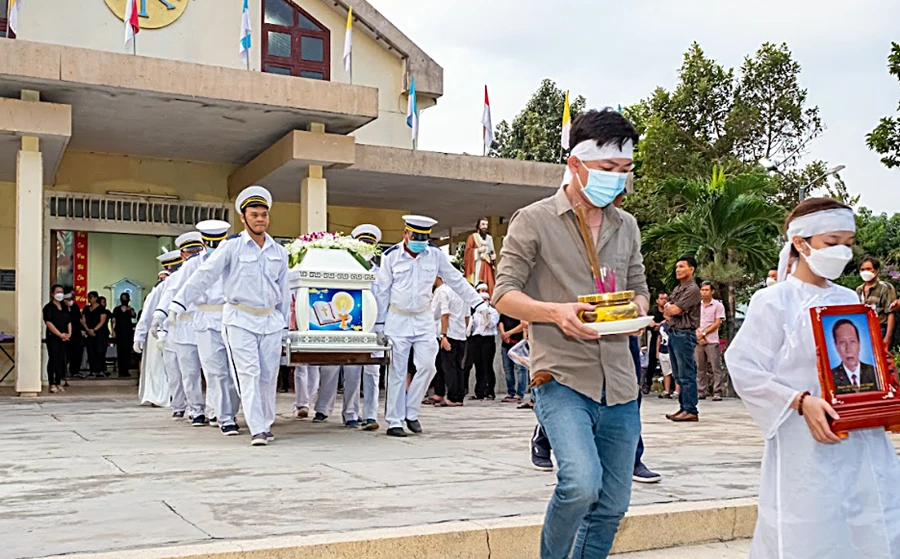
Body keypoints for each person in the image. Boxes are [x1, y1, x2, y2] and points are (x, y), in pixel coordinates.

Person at [494, 108, 647, 559]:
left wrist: (635, 309)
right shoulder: (534, 220)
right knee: (580, 484)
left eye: (624, 170)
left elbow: (639, 287)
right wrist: (555, 312)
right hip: (561, 376)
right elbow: (503, 293)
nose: (616, 179)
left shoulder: (627, 226)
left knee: (613, 504)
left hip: (620, 381)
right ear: (576, 164)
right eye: (606, 169)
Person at [725, 197, 900, 558]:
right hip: (804, 438)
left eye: (848, 243)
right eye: (831, 242)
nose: (842, 252)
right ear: (802, 243)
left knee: (869, 521)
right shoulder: (773, 301)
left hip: (860, 436)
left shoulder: (848, 298)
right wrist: (800, 401)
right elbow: (743, 365)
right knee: (809, 525)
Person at [170, 186, 290, 446]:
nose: (260, 219)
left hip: (270, 320)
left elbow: (284, 291)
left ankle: (266, 424)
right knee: (249, 373)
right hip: (240, 318)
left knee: (269, 376)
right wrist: (179, 302)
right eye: (254, 214)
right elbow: (204, 276)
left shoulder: (279, 252)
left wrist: (285, 328)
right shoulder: (231, 247)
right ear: (244, 218)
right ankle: (257, 428)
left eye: (264, 215)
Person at [372, 215, 487, 438]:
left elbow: (456, 280)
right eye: (415, 237)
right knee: (397, 371)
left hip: (423, 319)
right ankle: (394, 420)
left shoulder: (434, 255)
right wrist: (379, 325)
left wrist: (478, 303)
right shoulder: (391, 257)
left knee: (428, 366)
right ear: (406, 234)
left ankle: (411, 412)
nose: (419, 243)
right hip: (397, 319)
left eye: (424, 239)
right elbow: (382, 291)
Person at [176, 220, 242, 435]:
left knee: (234, 372)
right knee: (215, 372)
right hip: (205, 319)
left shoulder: (234, 259)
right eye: (210, 243)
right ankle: (225, 418)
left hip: (231, 317)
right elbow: (181, 290)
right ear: (204, 242)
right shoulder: (193, 264)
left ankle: (230, 412)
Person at [156, 231, 209, 426]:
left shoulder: (212, 267)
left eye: (198, 250)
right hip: (185, 328)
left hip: (208, 325)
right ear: (183, 255)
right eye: (190, 252)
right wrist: (159, 322)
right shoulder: (175, 277)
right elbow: (167, 297)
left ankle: (215, 409)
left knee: (215, 372)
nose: (194, 254)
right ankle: (197, 410)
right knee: (190, 373)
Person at [347, 223, 384, 430]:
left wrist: (383, 328)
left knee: (372, 373)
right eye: (363, 243)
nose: (367, 248)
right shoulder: (348, 270)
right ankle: (350, 413)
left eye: (370, 244)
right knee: (352, 371)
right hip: (353, 327)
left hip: (375, 327)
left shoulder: (381, 273)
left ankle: (370, 415)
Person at [664, 256, 701, 422]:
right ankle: (683, 407)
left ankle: (691, 409)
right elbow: (667, 308)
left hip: (685, 333)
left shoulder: (692, 289)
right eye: (676, 267)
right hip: (674, 332)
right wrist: (669, 309)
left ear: (691, 269)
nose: (677, 270)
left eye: (682, 266)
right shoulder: (679, 288)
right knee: (678, 374)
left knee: (686, 373)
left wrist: (670, 309)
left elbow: (675, 310)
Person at [134, 266, 176, 410]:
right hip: (155, 333)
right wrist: (139, 335)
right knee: (156, 366)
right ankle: (157, 396)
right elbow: (146, 315)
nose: (163, 281)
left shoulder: (176, 288)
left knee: (172, 366)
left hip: (173, 331)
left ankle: (173, 396)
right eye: (161, 278)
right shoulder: (155, 292)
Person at [432, 275, 469, 406]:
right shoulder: (464, 292)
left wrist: (443, 335)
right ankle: (459, 397)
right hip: (461, 335)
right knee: (459, 367)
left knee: (449, 368)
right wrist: (464, 331)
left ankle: (452, 398)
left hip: (450, 334)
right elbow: (467, 316)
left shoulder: (445, 291)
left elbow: (444, 314)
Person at [695, 281, 726, 401]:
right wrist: (698, 336)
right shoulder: (696, 305)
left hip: (712, 340)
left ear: (712, 291)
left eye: (707, 290)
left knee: (715, 367)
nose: (704, 292)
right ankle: (701, 391)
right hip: (698, 340)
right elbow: (693, 321)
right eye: (702, 290)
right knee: (700, 367)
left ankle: (717, 391)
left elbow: (717, 323)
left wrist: (704, 334)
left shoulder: (718, 305)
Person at [856, 256, 896, 349]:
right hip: (864, 330)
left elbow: (891, 313)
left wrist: (887, 338)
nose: (865, 272)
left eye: (869, 269)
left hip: (880, 329)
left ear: (876, 270)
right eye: (862, 269)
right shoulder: (859, 290)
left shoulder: (885, 288)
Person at [830, 319, 879, 394]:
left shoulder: (876, 373)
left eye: (852, 341)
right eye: (842, 342)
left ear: (859, 344)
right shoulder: (830, 377)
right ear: (836, 346)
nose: (848, 348)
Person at [468, 283, 499, 400]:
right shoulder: (474, 312)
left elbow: (490, 324)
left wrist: (486, 313)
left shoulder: (493, 312)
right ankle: (479, 391)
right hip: (476, 339)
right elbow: (472, 327)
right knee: (478, 365)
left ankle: (490, 390)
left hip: (488, 339)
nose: (483, 301)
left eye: (485, 299)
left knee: (487, 365)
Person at [44, 284, 72, 393]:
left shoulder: (65, 307)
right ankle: (52, 383)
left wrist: (69, 334)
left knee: (61, 360)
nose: (60, 294)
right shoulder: (48, 307)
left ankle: (58, 382)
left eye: (61, 292)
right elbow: (48, 322)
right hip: (53, 337)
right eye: (57, 292)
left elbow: (69, 321)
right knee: (53, 359)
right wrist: (60, 334)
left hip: (65, 337)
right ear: (52, 294)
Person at [499, 313, 527, 403]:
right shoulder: (505, 310)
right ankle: (510, 392)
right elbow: (501, 322)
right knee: (507, 369)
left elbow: (523, 324)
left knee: (520, 369)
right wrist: (503, 334)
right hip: (506, 343)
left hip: (518, 344)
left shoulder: (520, 310)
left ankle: (520, 394)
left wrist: (509, 333)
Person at [464, 217, 496, 295]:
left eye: (486, 225)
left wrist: (493, 257)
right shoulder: (472, 237)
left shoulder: (489, 238)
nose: (485, 226)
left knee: (489, 286)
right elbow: (467, 253)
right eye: (483, 224)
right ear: (478, 226)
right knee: (478, 286)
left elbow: (492, 251)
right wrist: (477, 251)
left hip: (487, 266)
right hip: (477, 266)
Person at [81, 291, 109, 378]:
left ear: (96, 298)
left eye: (91, 297)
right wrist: (87, 329)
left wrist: (94, 330)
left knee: (100, 351)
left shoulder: (101, 308)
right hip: (89, 332)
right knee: (91, 351)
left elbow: (102, 321)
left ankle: (100, 370)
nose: (89, 299)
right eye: (88, 297)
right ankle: (92, 370)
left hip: (100, 333)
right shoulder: (86, 308)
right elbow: (83, 319)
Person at [644, 293, 668, 392]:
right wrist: (656, 325)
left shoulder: (670, 311)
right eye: (662, 298)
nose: (664, 300)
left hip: (667, 340)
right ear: (657, 301)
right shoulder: (652, 313)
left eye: (666, 299)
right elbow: (648, 325)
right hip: (655, 339)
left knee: (669, 364)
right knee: (652, 362)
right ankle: (647, 384)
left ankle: (671, 387)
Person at [111, 292, 137, 378]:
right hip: (119, 332)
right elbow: (113, 320)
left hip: (128, 333)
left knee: (127, 351)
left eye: (126, 298)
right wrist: (113, 331)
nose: (124, 299)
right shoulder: (117, 309)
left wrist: (130, 309)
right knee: (120, 351)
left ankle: (126, 370)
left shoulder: (130, 309)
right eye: (123, 297)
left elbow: (134, 316)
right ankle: (120, 370)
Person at [63, 290, 84, 382]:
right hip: (64, 333)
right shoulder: (61, 307)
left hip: (76, 333)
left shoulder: (75, 306)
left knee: (76, 352)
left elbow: (79, 319)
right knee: (65, 353)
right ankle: (62, 372)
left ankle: (75, 371)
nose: (72, 298)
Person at [656, 321, 676, 399]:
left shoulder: (675, 324)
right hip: (663, 350)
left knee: (675, 372)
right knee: (666, 372)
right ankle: (666, 390)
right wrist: (657, 351)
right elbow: (659, 338)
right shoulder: (662, 325)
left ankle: (677, 391)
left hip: (671, 351)